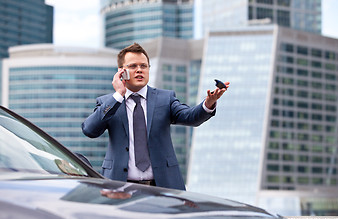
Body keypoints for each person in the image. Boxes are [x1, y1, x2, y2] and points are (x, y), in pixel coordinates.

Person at [82, 43, 229, 190]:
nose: (139, 70)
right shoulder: (109, 102)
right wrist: (118, 96)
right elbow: (90, 130)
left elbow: (191, 117)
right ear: (121, 71)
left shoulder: (165, 98)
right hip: (119, 187)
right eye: (133, 66)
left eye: (144, 66)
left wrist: (209, 103)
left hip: (163, 187)